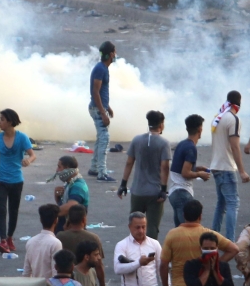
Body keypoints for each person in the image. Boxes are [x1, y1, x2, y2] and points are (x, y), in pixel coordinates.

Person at [118, 110, 171, 240]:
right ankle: (150, 255)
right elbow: (164, 167)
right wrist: (163, 189)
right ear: (161, 124)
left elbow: (129, 163)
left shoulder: (136, 140)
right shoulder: (163, 143)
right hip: (154, 192)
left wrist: (123, 184)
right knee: (152, 227)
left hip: (137, 191)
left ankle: (133, 251)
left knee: (135, 224)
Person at [0, 108, 35, 253]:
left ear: (10, 121)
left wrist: (29, 160)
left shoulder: (22, 138)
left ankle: (9, 238)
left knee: (13, 211)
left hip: (16, 180)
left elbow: (32, 154)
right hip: (1, 180)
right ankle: (3, 240)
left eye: (2, 119)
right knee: (1, 210)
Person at [209, 90, 250, 244]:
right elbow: (235, 147)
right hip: (226, 167)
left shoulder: (218, 117)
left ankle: (213, 237)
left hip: (216, 166)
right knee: (233, 203)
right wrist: (242, 171)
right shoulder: (233, 119)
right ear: (238, 104)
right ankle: (230, 241)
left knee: (222, 203)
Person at [169, 114, 210, 226]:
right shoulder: (191, 147)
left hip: (174, 192)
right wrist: (200, 174)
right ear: (200, 129)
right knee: (188, 229)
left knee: (180, 231)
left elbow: (179, 168)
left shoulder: (182, 144)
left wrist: (197, 168)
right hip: (182, 193)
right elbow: (185, 173)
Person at [57, 204, 105, 286]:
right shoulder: (93, 238)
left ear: (69, 220)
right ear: (84, 219)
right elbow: (99, 265)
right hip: (87, 281)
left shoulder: (60, 236)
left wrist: (64, 229)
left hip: (66, 284)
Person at [88, 41, 117, 182]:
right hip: (97, 109)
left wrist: (108, 107)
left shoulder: (103, 68)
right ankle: (102, 173)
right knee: (105, 139)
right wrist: (103, 112)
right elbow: (95, 91)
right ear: (111, 54)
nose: (115, 55)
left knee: (100, 139)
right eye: (114, 52)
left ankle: (94, 168)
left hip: (99, 107)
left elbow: (101, 92)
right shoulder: (101, 69)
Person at [51, 156, 89, 231]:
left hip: (71, 231)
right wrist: (57, 196)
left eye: (59, 167)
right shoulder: (70, 183)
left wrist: (50, 213)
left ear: (67, 169)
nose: (57, 170)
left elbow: (70, 207)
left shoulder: (78, 186)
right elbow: (63, 204)